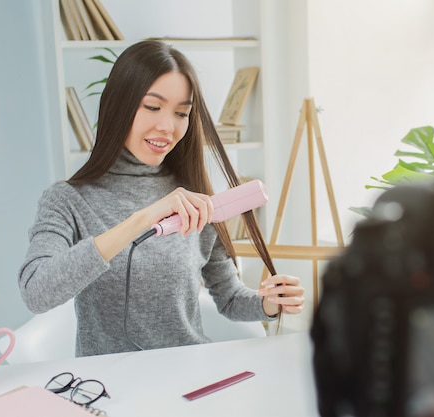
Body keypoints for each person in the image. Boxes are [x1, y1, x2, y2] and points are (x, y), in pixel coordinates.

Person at [18, 40, 305, 357]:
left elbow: (229, 297)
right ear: (119, 106)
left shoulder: (194, 198)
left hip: (189, 375)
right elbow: (36, 292)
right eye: (152, 107)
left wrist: (269, 303)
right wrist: (141, 220)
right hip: (108, 388)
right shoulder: (68, 200)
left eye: (181, 113)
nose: (167, 127)